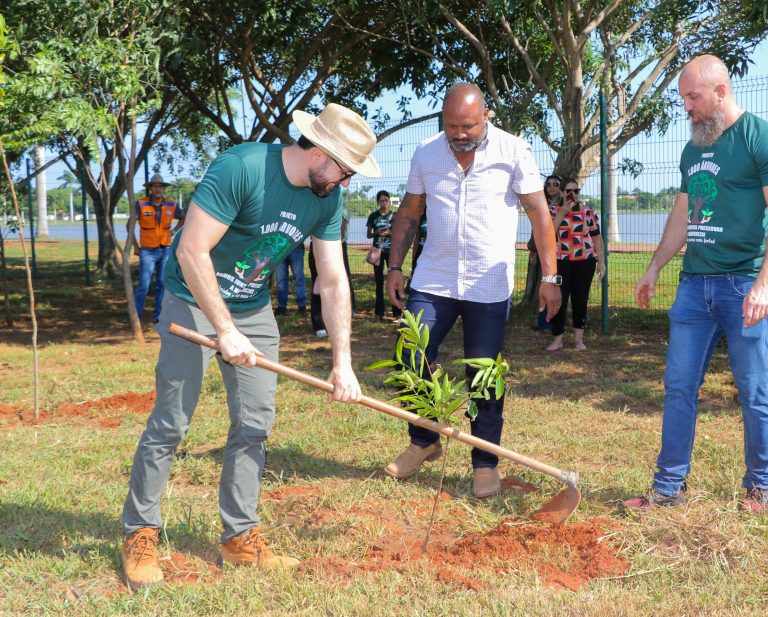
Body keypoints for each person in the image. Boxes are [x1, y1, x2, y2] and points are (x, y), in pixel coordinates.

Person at [120, 103, 378, 591]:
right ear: (320, 152)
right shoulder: (242, 168)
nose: (346, 182)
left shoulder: (326, 199)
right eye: (345, 170)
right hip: (191, 298)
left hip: (253, 309)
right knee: (171, 421)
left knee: (255, 423)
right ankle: (141, 532)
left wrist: (342, 362)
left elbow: (333, 278)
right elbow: (191, 251)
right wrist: (223, 329)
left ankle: (239, 536)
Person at [625, 55, 768, 513]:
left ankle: (760, 486)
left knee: (752, 386)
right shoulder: (692, 150)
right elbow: (683, 215)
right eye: (684, 98)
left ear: (721, 91)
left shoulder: (765, 140)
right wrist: (655, 266)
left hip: (744, 285)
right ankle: (668, 488)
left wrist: (764, 284)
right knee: (678, 385)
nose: (688, 107)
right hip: (693, 288)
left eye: (694, 97)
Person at [383, 82, 562, 499]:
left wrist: (551, 279)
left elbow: (539, 213)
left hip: (487, 283)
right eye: (451, 126)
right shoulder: (427, 152)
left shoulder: (514, 151)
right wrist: (395, 265)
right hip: (433, 278)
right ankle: (424, 439)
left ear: (486, 116)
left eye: (467, 125)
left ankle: (485, 463)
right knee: (410, 356)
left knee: (484, 375)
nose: (459, 134)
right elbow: (409, 212)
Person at [546, 178, 606, 351]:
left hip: (585, 262)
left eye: (576, 191)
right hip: (560, 262)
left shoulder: (588, 212)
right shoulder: (553, 211)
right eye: (569, 191)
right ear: (562, 193)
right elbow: (549, 234)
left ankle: (579, 340)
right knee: (558, 300)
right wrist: (562, 213)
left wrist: (601, 262)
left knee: (581, 300)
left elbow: (596, 238)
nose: (573, 194)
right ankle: (557, 340)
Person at [128, 174, 185, 324]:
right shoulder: (141, 204)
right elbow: (130, 225)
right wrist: (135, 246)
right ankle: (137, 316)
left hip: (165, 249)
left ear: (163, 189)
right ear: (150, 189)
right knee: (143, 284)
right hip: (147, 251)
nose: (158, 189)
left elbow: (183, 218)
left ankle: (158, 316)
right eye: (155, 186)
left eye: (160, 186)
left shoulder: (171, 205)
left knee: (162, 283)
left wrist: (173, 232)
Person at [309, 211, 355, 337]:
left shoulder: (342, 208)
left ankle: (336, 325)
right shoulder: (314, 205)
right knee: (318, 288)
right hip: (318, 248)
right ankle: (319, 325)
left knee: (336, 287)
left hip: (336, 247)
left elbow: (342, 228)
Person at [534, 174, 564, 332]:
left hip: (563, 254)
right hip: (546, 253)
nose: (551, 187)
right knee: (547, 283)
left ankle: (554, 321)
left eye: (555, 184)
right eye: (548, 184)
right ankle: (543, 321)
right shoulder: (541, 206)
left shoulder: (565, 206)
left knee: (557, 287)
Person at [367, 190, 399, 320]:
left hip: (391, 253)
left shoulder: (395, 216)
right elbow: (368, 234)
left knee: (394, 282)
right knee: (379, 283)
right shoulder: (373, 216)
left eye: (386, 200)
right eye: (381, 201)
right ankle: (379, 313)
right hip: (377, 252)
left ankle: (397, 313)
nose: (384, 203)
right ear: (378, 202)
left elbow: (400, 234)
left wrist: (390, 233)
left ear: (390, 201)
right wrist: (377, 232)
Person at [273, 242, 307, 316]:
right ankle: (282, 307)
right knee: (281, 280)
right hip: (279, 248)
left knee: (299, 278)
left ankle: (302, 307)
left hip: (296, 247)